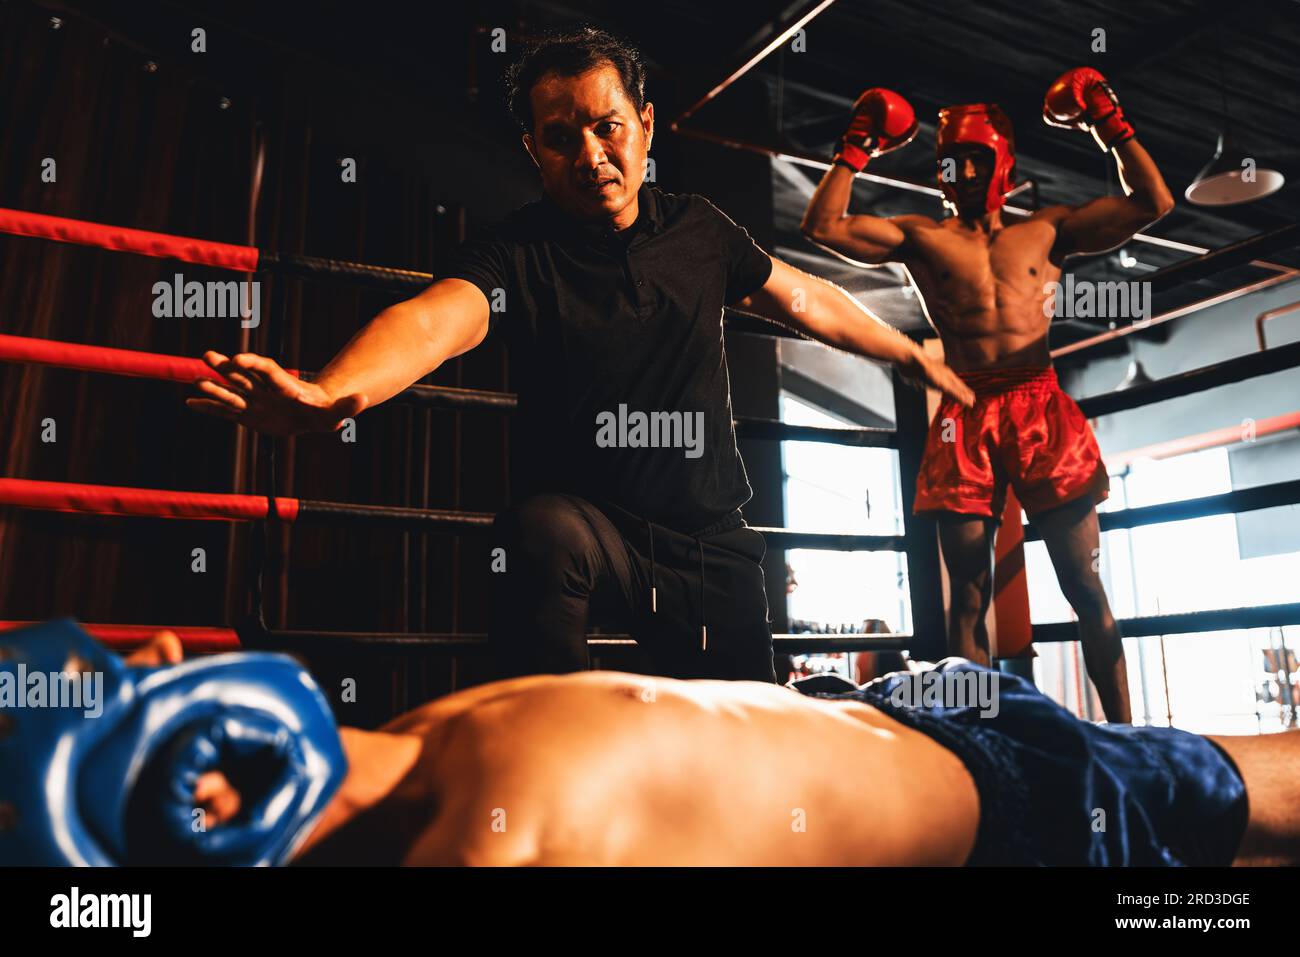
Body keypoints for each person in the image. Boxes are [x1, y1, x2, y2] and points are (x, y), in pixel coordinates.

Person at [186, 28, 974, 683]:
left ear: (647, 125)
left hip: (706, 544)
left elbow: (804, 296)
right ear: (534, 149)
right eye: (561, 139)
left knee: (740, 764)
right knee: (539, 532)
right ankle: (555, 759)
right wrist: (333, 393)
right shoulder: (515, 252)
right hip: (589, 537)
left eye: (608, 127)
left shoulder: (700, 232)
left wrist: (904, 350)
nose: (591, 155)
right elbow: (431, 321)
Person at [7, 622, 1297, 867]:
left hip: (927, 725)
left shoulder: (410, 754)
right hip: (1001, 803)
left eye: (130, 667)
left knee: (1251, 791)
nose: (168, 661)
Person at [801, 70, 1176, 722]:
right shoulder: (923, 237)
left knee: (1084, 584)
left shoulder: (1048, 230)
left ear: (1001, 162)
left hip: (1039, 406)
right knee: (967, 596)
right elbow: (823, 226)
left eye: (974, 157)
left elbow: (1153, 202)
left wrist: (1108, 124)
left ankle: (1126, 733)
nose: (962, 171)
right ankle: (981, 741)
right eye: (951, 160)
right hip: (965, 413)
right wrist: (856, 145)